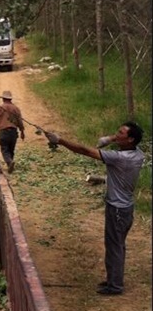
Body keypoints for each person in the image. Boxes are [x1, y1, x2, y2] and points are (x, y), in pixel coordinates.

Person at [44, 122, 145, 295]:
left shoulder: (120, 158)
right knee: (116, 245)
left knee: (115, 246)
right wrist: (111, 139)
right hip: (125, 208)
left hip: (117, 210)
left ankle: (115, 286)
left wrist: (60, 140)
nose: (116, 134)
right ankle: (113, 279)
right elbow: (119, 140)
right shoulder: (138, 154)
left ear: (130, 139)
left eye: (120, 133)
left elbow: (85, 151)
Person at [0, 91, 25, 173]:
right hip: (13, 132)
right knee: (11, 150)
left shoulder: (1, 107)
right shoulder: (16, 108)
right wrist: (22, 131)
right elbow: (20, 121)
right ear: (10, 99)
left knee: (4, 149)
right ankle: (10, 165)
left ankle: (9, 162)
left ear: (3, 99)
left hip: (4, 132)